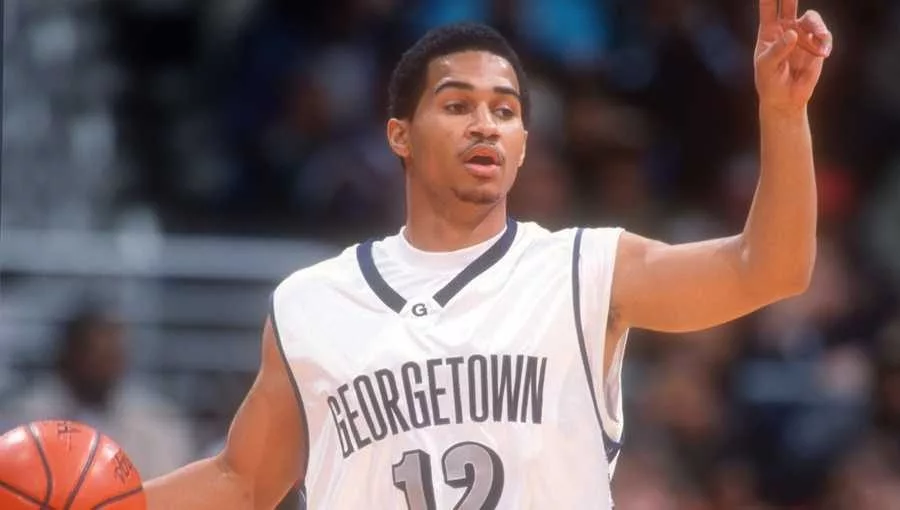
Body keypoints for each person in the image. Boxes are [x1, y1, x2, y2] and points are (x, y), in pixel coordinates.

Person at [144, 0, 833, 507]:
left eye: (505, 111)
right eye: (457, 104)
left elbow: (769, 269)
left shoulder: (584, 270)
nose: (485, 123)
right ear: (399, 135)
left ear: (525, 145)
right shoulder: (310, 304)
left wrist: (781, 113)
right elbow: (242, 480)